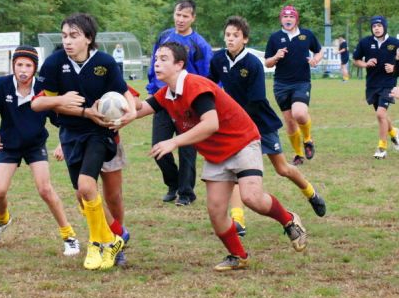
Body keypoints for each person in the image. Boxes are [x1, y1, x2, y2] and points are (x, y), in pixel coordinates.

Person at [127, 41, 308, 271]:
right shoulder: (167, 94)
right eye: (156, 59)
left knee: (251, 197)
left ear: (179, 64)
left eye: (163, 59)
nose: (157, 63)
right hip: (216, 153)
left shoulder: (195, 86)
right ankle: (238, 256)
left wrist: (173, 141)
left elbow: (210, 124)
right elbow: (140, 109)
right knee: (215, 210)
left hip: (242, 141)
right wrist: (116, 113)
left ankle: (289, 219)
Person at [31, 13, 137, 270]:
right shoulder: (55, 63)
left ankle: (98, 243)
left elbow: (124, 92)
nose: (67, 41)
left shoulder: (105, 63)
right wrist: (61, 102)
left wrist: (131, 111)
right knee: (83, 194)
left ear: (88, 39)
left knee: (98, 190)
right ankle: (114, 237)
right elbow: (38, 102)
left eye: (74, 36)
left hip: (101, 133)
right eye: (65, 35)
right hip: (71, 134)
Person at [209, 16, 326, 218]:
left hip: (260, 121)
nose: (230, 39)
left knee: (282, 168)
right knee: (238, 172)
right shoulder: (218, 59)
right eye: (227, 35)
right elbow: (210, 85)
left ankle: (311, 193)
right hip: (236, 125)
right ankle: (238, 220)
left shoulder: (253, 64)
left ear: (245, 39)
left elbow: (256, 100)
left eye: (235, 36)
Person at [0, 45, 80, 257]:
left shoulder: (44, 88)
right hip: (8, 145)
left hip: (35, 144)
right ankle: (2, 220)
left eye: (28, 65)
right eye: (19, 65)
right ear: (13, 66)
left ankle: (69, 236)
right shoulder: (2, 85)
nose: (23, 70)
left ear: (35, 68)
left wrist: (63, 143)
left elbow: (61, 117)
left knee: (45, 190)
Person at [52, 85, 142, 267]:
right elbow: (57, 111)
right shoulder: (66, 78)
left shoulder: (104, 71)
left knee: (113, 197)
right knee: (82, 195)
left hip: (108, 142)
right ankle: (113, 235)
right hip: (78, 143)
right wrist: (62, 143)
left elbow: (137, 102)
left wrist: (117, 104)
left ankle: (116, 245)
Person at [146, 0, 213, 206]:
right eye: (178, 14)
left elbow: (207, 74)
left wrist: (200, 99)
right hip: (163, 100)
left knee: (187, 150)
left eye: (185, 16)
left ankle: (186, 193)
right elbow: (154, 63)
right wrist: (153, 88)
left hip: (188, 104)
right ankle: (173, 183)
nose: (180, 19)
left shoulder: (199, 44)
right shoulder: (164, 37)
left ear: (193, 18)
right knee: (158, 148)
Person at [265, 5, 323, 166]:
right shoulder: (275, 38)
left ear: (296, 19)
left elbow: (319, 51)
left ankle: (308, 139)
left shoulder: (307, 35)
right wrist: (276, 56)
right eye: (285, 17)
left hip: (301, 82)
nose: (288, 19)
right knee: (289, 121)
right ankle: (298, 155)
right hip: (281, 85)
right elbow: (268, 63)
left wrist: (316, 59)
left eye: (291, 17)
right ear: (281, 20)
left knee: (299, 114)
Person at [352, 15, 399, 159]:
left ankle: (382, 148)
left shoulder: (395, 43)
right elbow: (355, 60)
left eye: (379, 26)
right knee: (382, 115)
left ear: (384, 27)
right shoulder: (365, 42)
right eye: (374, 26)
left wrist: (395, 68)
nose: (376, 29)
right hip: (372, 85)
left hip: (388, 84)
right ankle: (395, 134)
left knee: (380, 114)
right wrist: (365, 64)